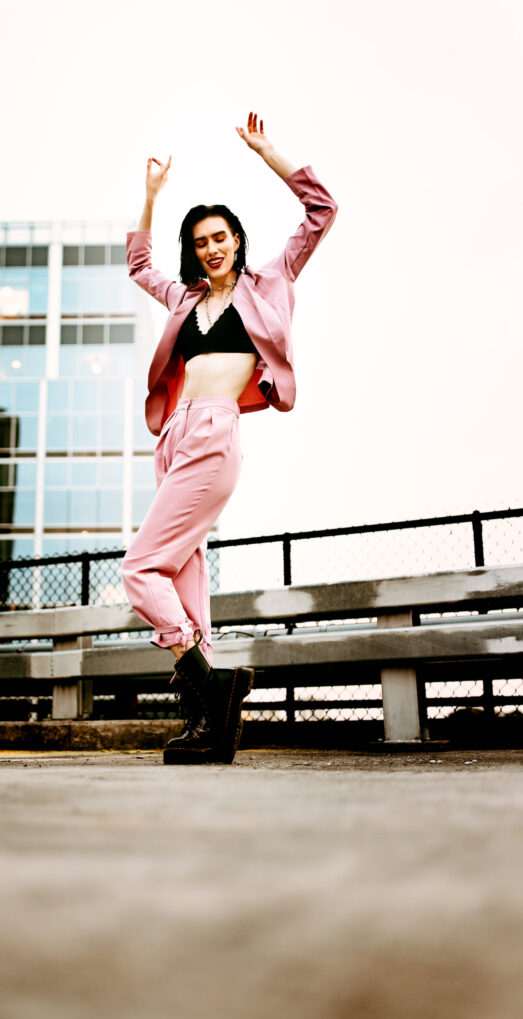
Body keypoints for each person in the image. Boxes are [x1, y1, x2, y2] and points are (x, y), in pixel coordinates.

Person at [121, 112, 338, 764]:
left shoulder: (268, 284)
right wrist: (153, 193)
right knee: (183, 582)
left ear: (237, 241)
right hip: (174, 438)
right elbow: (137, 262)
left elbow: (321, 211)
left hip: (217, 431)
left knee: (139, 569)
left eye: (221, 237)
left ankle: (211, 689)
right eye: (202, 241)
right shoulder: (184, 299)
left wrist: (268, 152)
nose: (212, 247)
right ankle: (208, 725)